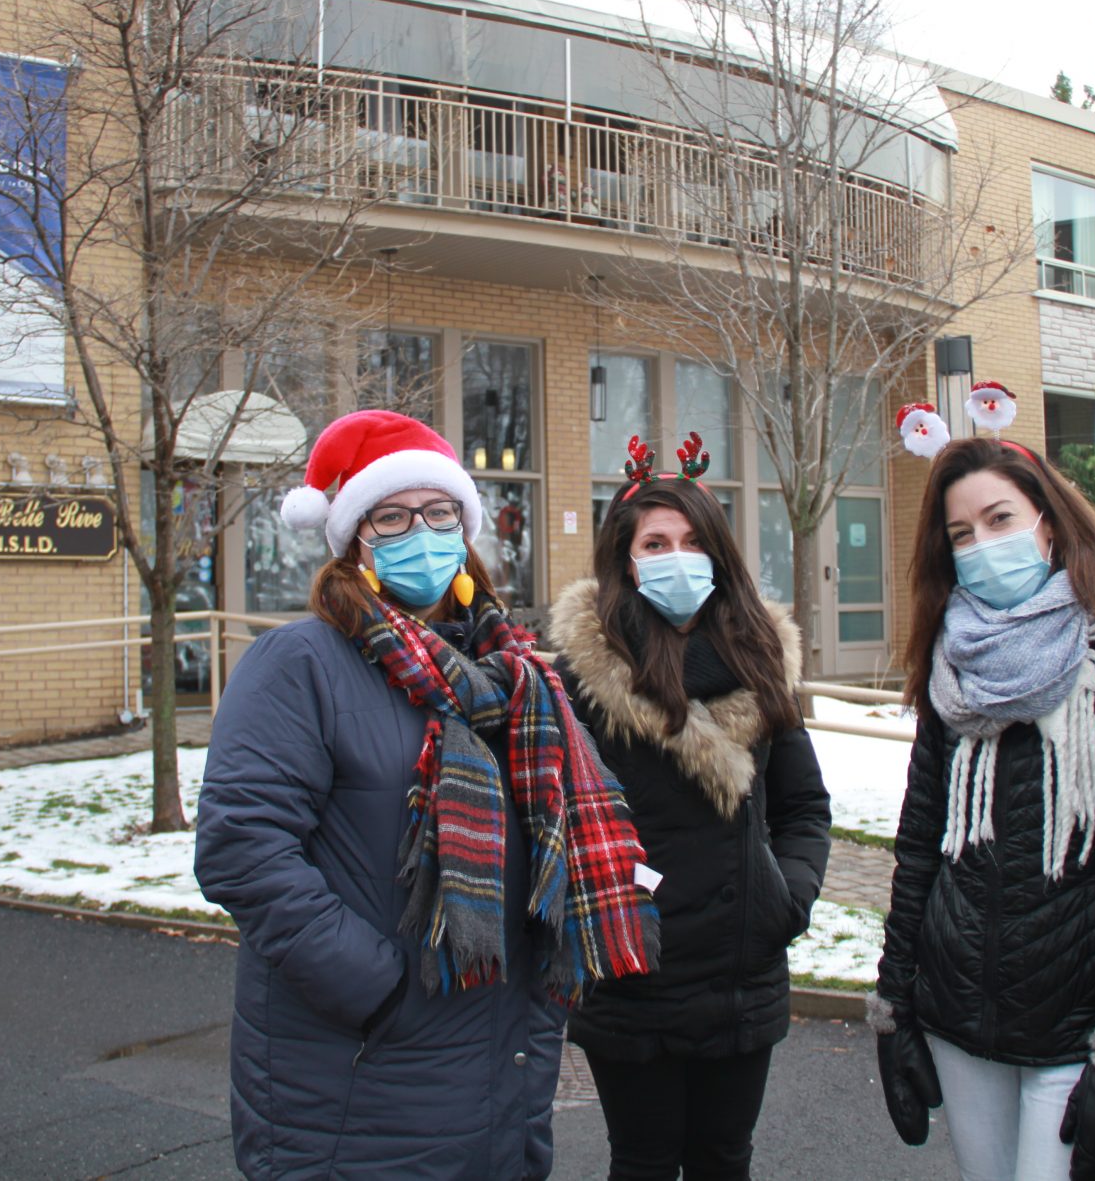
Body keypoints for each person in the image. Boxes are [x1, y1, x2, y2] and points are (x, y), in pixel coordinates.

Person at [195, 410, 658, 1179]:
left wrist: (542, 1012)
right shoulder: (299, 665)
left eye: (440, 512)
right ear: (355, 542)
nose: (423, 530)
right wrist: (380, 988)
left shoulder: (518, 681)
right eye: (394, 515)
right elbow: (242, 849)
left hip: (499, 1077)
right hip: (360, 1080)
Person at [872, 408, 1095, 1181]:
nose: (984, 546)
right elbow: (922, 838)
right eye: (962, 534)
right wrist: (895, 999)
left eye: (1000, 519)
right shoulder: (951, 670)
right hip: (959, 1013)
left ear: (1050, 525)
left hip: (1076, 1024)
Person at [549, 434, 832, 1180]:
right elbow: (549, 817)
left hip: (741, 972)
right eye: (656, 541)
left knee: (722, 1161)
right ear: (626, 555)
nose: (677, 556)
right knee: (642, 1162)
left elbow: (804, 805)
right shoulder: (577, 680)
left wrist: (787, 897)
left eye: (694, 540)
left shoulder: (762, 664)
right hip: (631, 975)